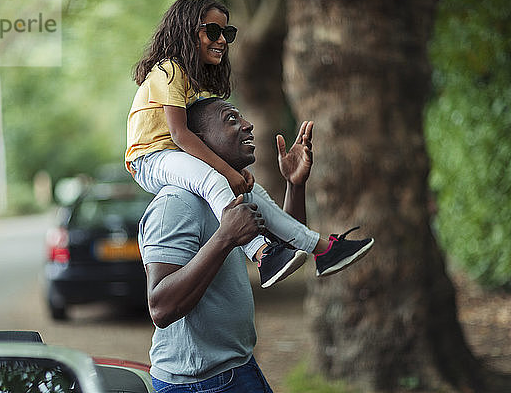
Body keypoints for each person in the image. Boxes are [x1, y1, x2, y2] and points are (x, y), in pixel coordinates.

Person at [126, 0, 372, 287]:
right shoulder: (170, 70)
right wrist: (227, 171)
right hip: (150, 158)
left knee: (254, 194)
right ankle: (262, 254)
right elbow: (180, 134)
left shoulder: (190, 79)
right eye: (213, 32)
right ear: (187, 31)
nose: (222, 41)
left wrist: (233, 171)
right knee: (215, 181)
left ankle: (323, 250)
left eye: (227, 34)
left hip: (174, 155)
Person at [139, 98, 374, 392]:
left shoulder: (233, 193)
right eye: (230, 119)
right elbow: (160, 307)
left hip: (239, 366)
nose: (248, 125)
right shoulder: (176, 204)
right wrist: (226, 237)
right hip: (199, 383)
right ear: (197, 141)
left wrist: (295, 184)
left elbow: (283, 256)